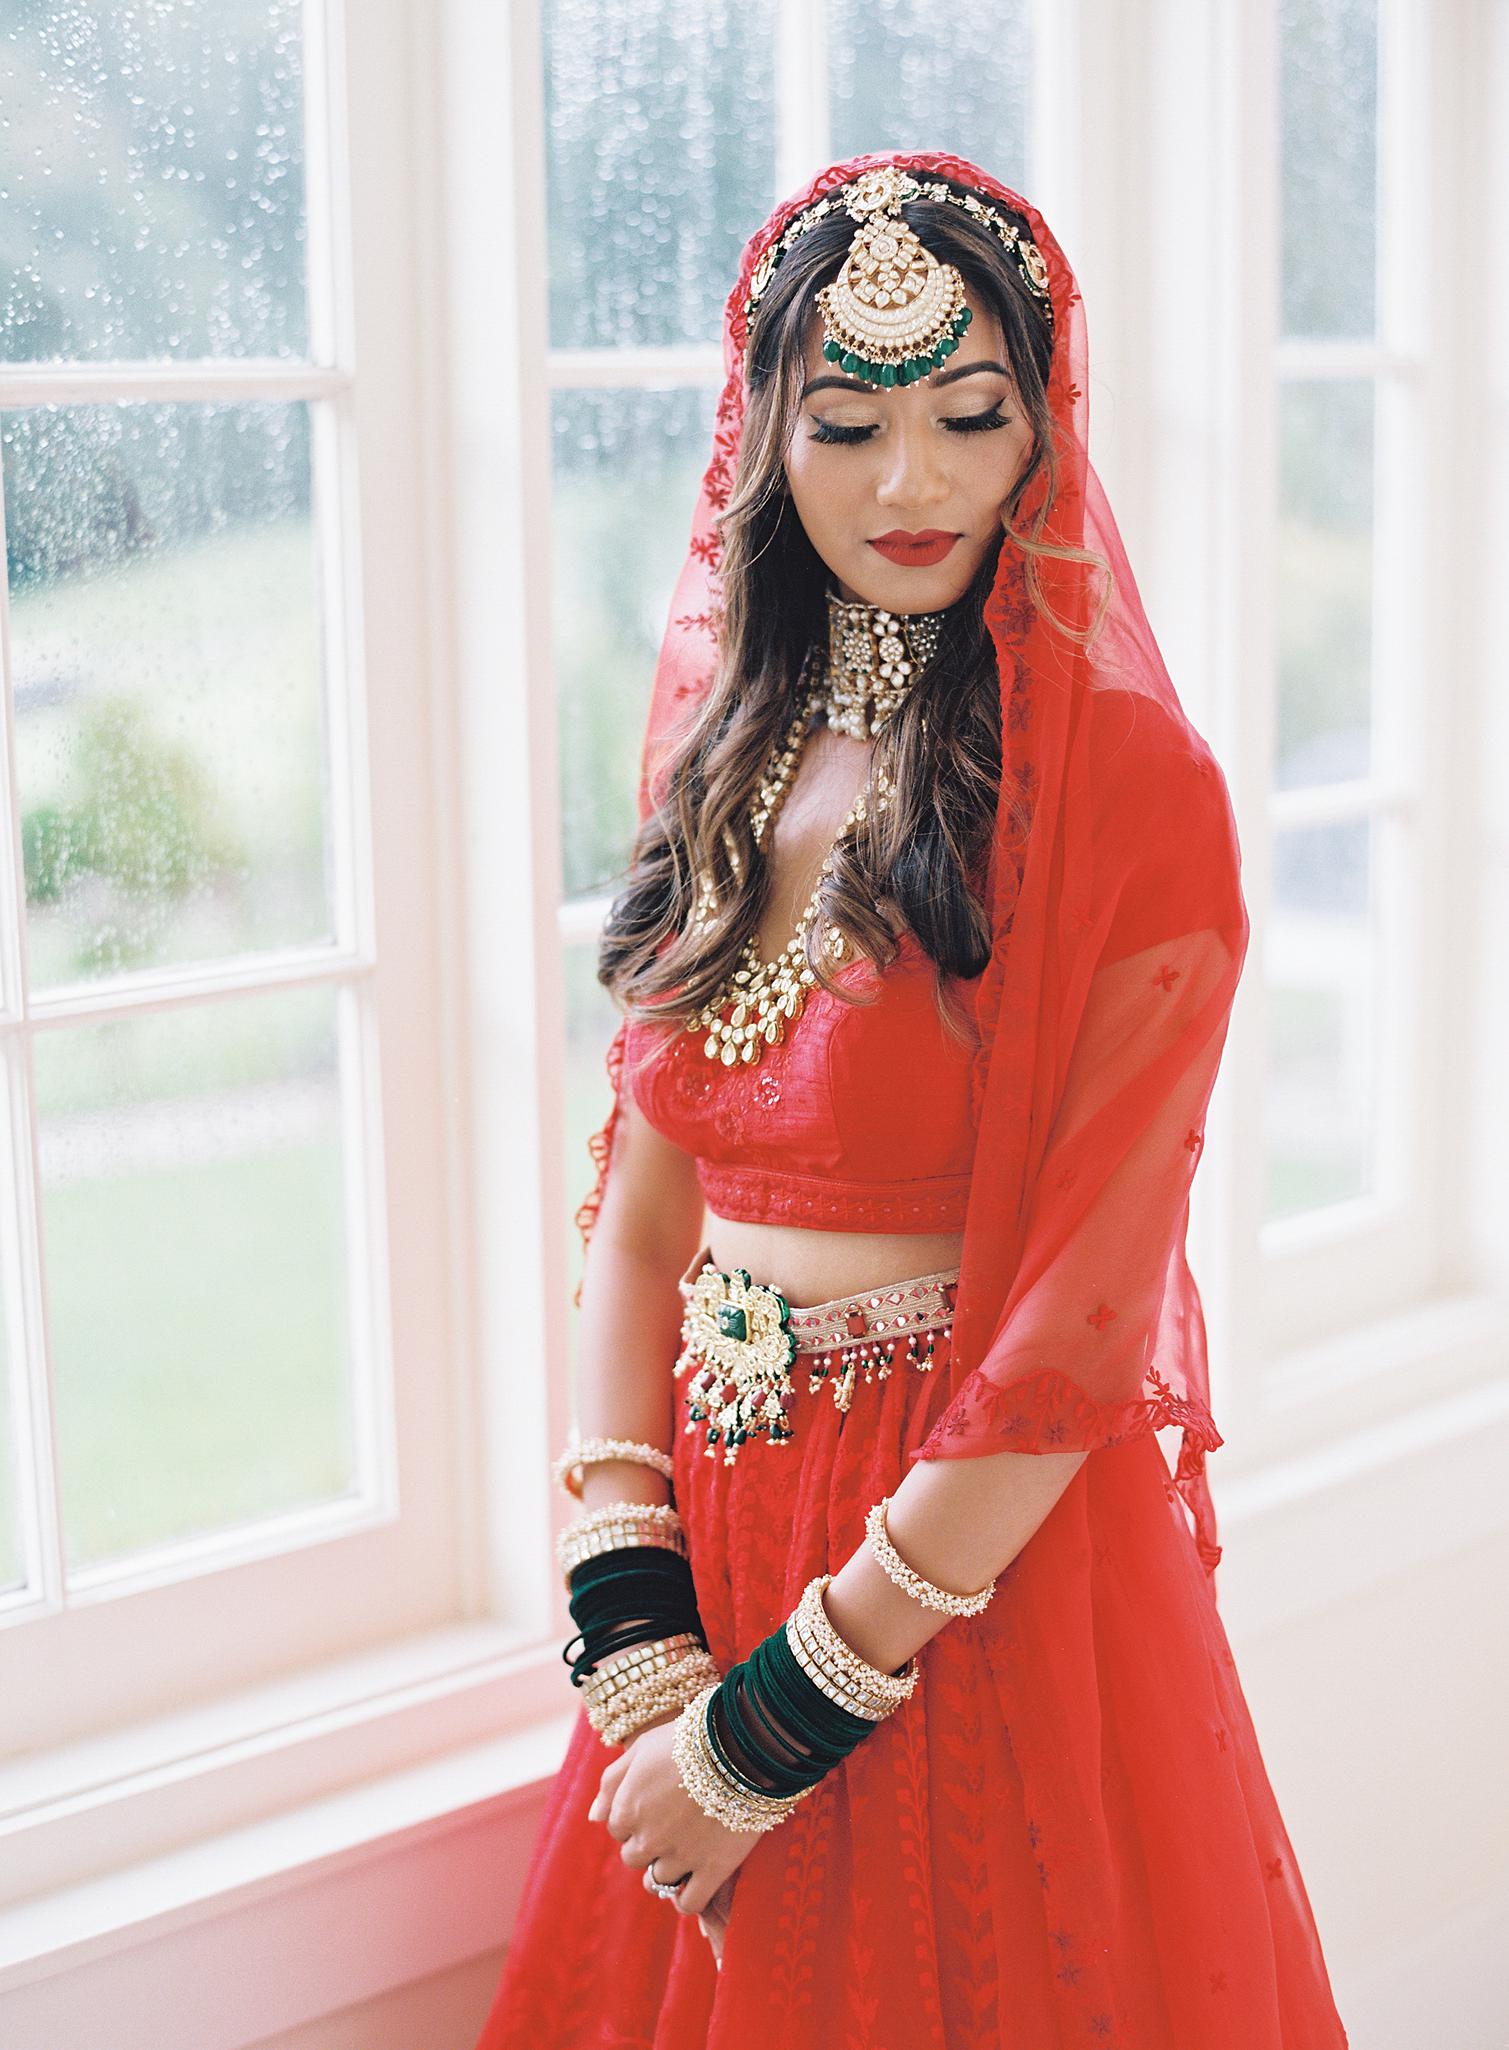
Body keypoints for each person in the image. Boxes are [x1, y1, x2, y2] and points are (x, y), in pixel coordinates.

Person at [473, 150, 1350, 2048]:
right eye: (848, 424)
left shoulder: (1125, 786)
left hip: (973, 1564)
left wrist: (782, 1717)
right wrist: (630, 1612)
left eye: (968, 417)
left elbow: (1081, 1319)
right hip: (703, 1544)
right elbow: (642, 1193)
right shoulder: (724, 732)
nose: (910, 485)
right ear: (764, 435)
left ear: (1045, 418)